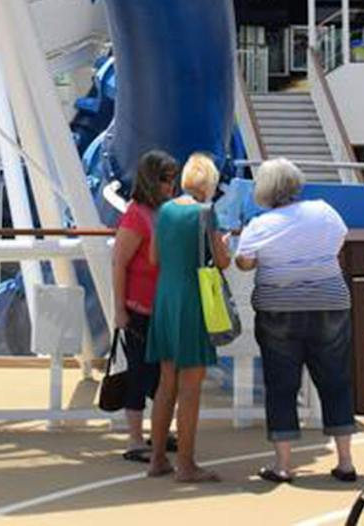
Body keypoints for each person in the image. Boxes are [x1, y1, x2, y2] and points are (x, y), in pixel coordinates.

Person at [232, 158, 358, 485]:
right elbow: (339, 242)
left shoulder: (259, 225)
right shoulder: (325, 211)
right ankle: (345, 462)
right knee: (335, 381)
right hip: (330, 303)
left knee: (281, 385)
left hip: (279, 309)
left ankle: (284, 465)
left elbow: (244, 262)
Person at [147, 151, 229, 483]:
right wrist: (222, 245)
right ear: (208, 183)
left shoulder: (164, 211)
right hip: (193, 300)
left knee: (166, 382)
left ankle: (156, 460)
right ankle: (186, 464)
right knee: (190, 388)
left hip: (165, 297)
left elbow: (154, 257)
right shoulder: (206, 213)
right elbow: (222, 262)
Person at [111, 150, 177, 462]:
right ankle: (135, 439)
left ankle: (159, 430)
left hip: (163, 307)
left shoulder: (165, 212)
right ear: (153, 180)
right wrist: (119, 309)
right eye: (166, 180)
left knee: (162, 374)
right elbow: (120, 263)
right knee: (139, 373)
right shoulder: (137, 215)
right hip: (139, 307)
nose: (171, 186)